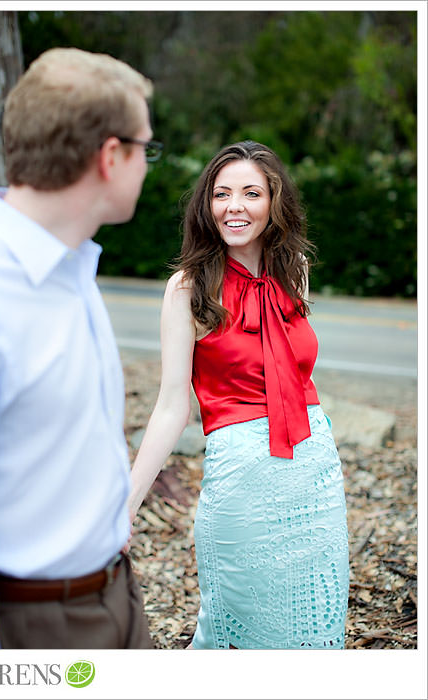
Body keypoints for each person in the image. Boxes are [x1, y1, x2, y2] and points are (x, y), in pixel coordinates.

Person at [128, 140, 349, 649]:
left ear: (274, 203)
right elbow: (170, 406)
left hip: (314, 474)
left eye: (251, 193)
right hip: (241, 476)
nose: (235, 207)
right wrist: (128, 502)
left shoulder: (296, 273)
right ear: (206, 204)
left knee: (315, 628)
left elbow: (296, 375)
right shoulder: (188, 288)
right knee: (238, 628)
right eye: (222, 194)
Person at [0, 47, 159, 649]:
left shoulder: (72, 263)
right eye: (147, 148)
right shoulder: (1, 293)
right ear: (112, 156)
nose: (148, 164)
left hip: (117, 594)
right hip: (41, 627)